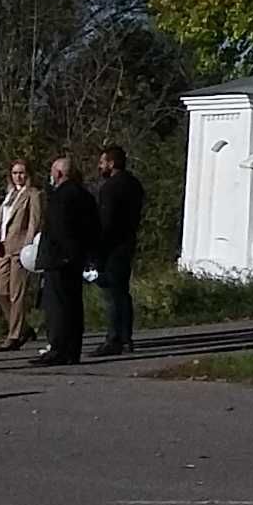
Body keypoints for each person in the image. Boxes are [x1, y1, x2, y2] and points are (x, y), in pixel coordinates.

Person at [33, 154, 101, 368]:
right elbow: (93, 227)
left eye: (53, 172)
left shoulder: (60, 196)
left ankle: (58, 349)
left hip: (59, 259)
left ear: (59, 173)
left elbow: (59, 229)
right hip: (77, 258)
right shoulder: (85, 195)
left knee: (57, 306)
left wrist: (57, 254)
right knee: (73, 305)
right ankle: (72, 349)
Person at [91, 142, 147, 358]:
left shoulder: (110, 188)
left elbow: (106, 221)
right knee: (123, 292)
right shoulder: (134, 184)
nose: (100, 166)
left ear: (112, 163)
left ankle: (114, 338)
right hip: (128, 242)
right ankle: (126, 336)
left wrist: (98, 247)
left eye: (103, 162)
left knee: (113, 293)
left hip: (112, 246)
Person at [0, 159, 41, 351]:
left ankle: (14, 335)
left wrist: (28, 248)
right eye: (14, 173)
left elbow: (34, 223)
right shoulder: (9, 195)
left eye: (21, 172)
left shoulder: (32, 194)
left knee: (16, 294)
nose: (18, 176)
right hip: (3, 248)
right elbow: (1, 224)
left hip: (19, 249)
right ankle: (23, 327)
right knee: (0, 291)